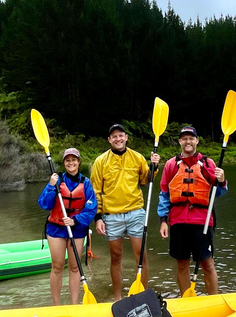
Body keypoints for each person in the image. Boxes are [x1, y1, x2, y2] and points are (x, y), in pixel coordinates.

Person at [91, 123, 160, 300]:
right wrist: (98, 218)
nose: (118, 139)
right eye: (114, 136)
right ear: (109, 140)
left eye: (121, 135)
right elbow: (95, 191)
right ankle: (117, 297)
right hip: (111, 216)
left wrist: (154, 166)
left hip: (135, 212)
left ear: (126, 137)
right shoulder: (100, 161)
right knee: (116, 256)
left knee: (141, 256)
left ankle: (144, 295)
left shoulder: (137, 158)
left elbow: (146, 180)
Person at [157, 126, 227, 295]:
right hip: (178, 221)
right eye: (184, 138)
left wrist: (222, 180)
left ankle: (214, 299)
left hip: (202, 221)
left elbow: (219, 192)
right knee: (182, 263)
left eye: (191, 138)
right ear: (180, 141)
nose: (188, 141)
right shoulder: (171, 165)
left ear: (196, 141)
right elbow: (164, 194)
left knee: (207, 263)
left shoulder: (207, 163)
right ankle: (186, 300)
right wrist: (163, 221)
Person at [37, 148, 97, 305]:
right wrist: (51, 186)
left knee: (74, 267)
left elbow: (91, 208)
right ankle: (56, 305)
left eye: (74, 160)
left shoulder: (86, 183)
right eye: (68, 160)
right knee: (57, 267)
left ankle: (74, 304)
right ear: (64, 163)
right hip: (56, 229)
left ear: (78, 162)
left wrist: (75, 220)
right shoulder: (57, 180)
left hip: (76, 229)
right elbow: (44, 203)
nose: (71, 163)